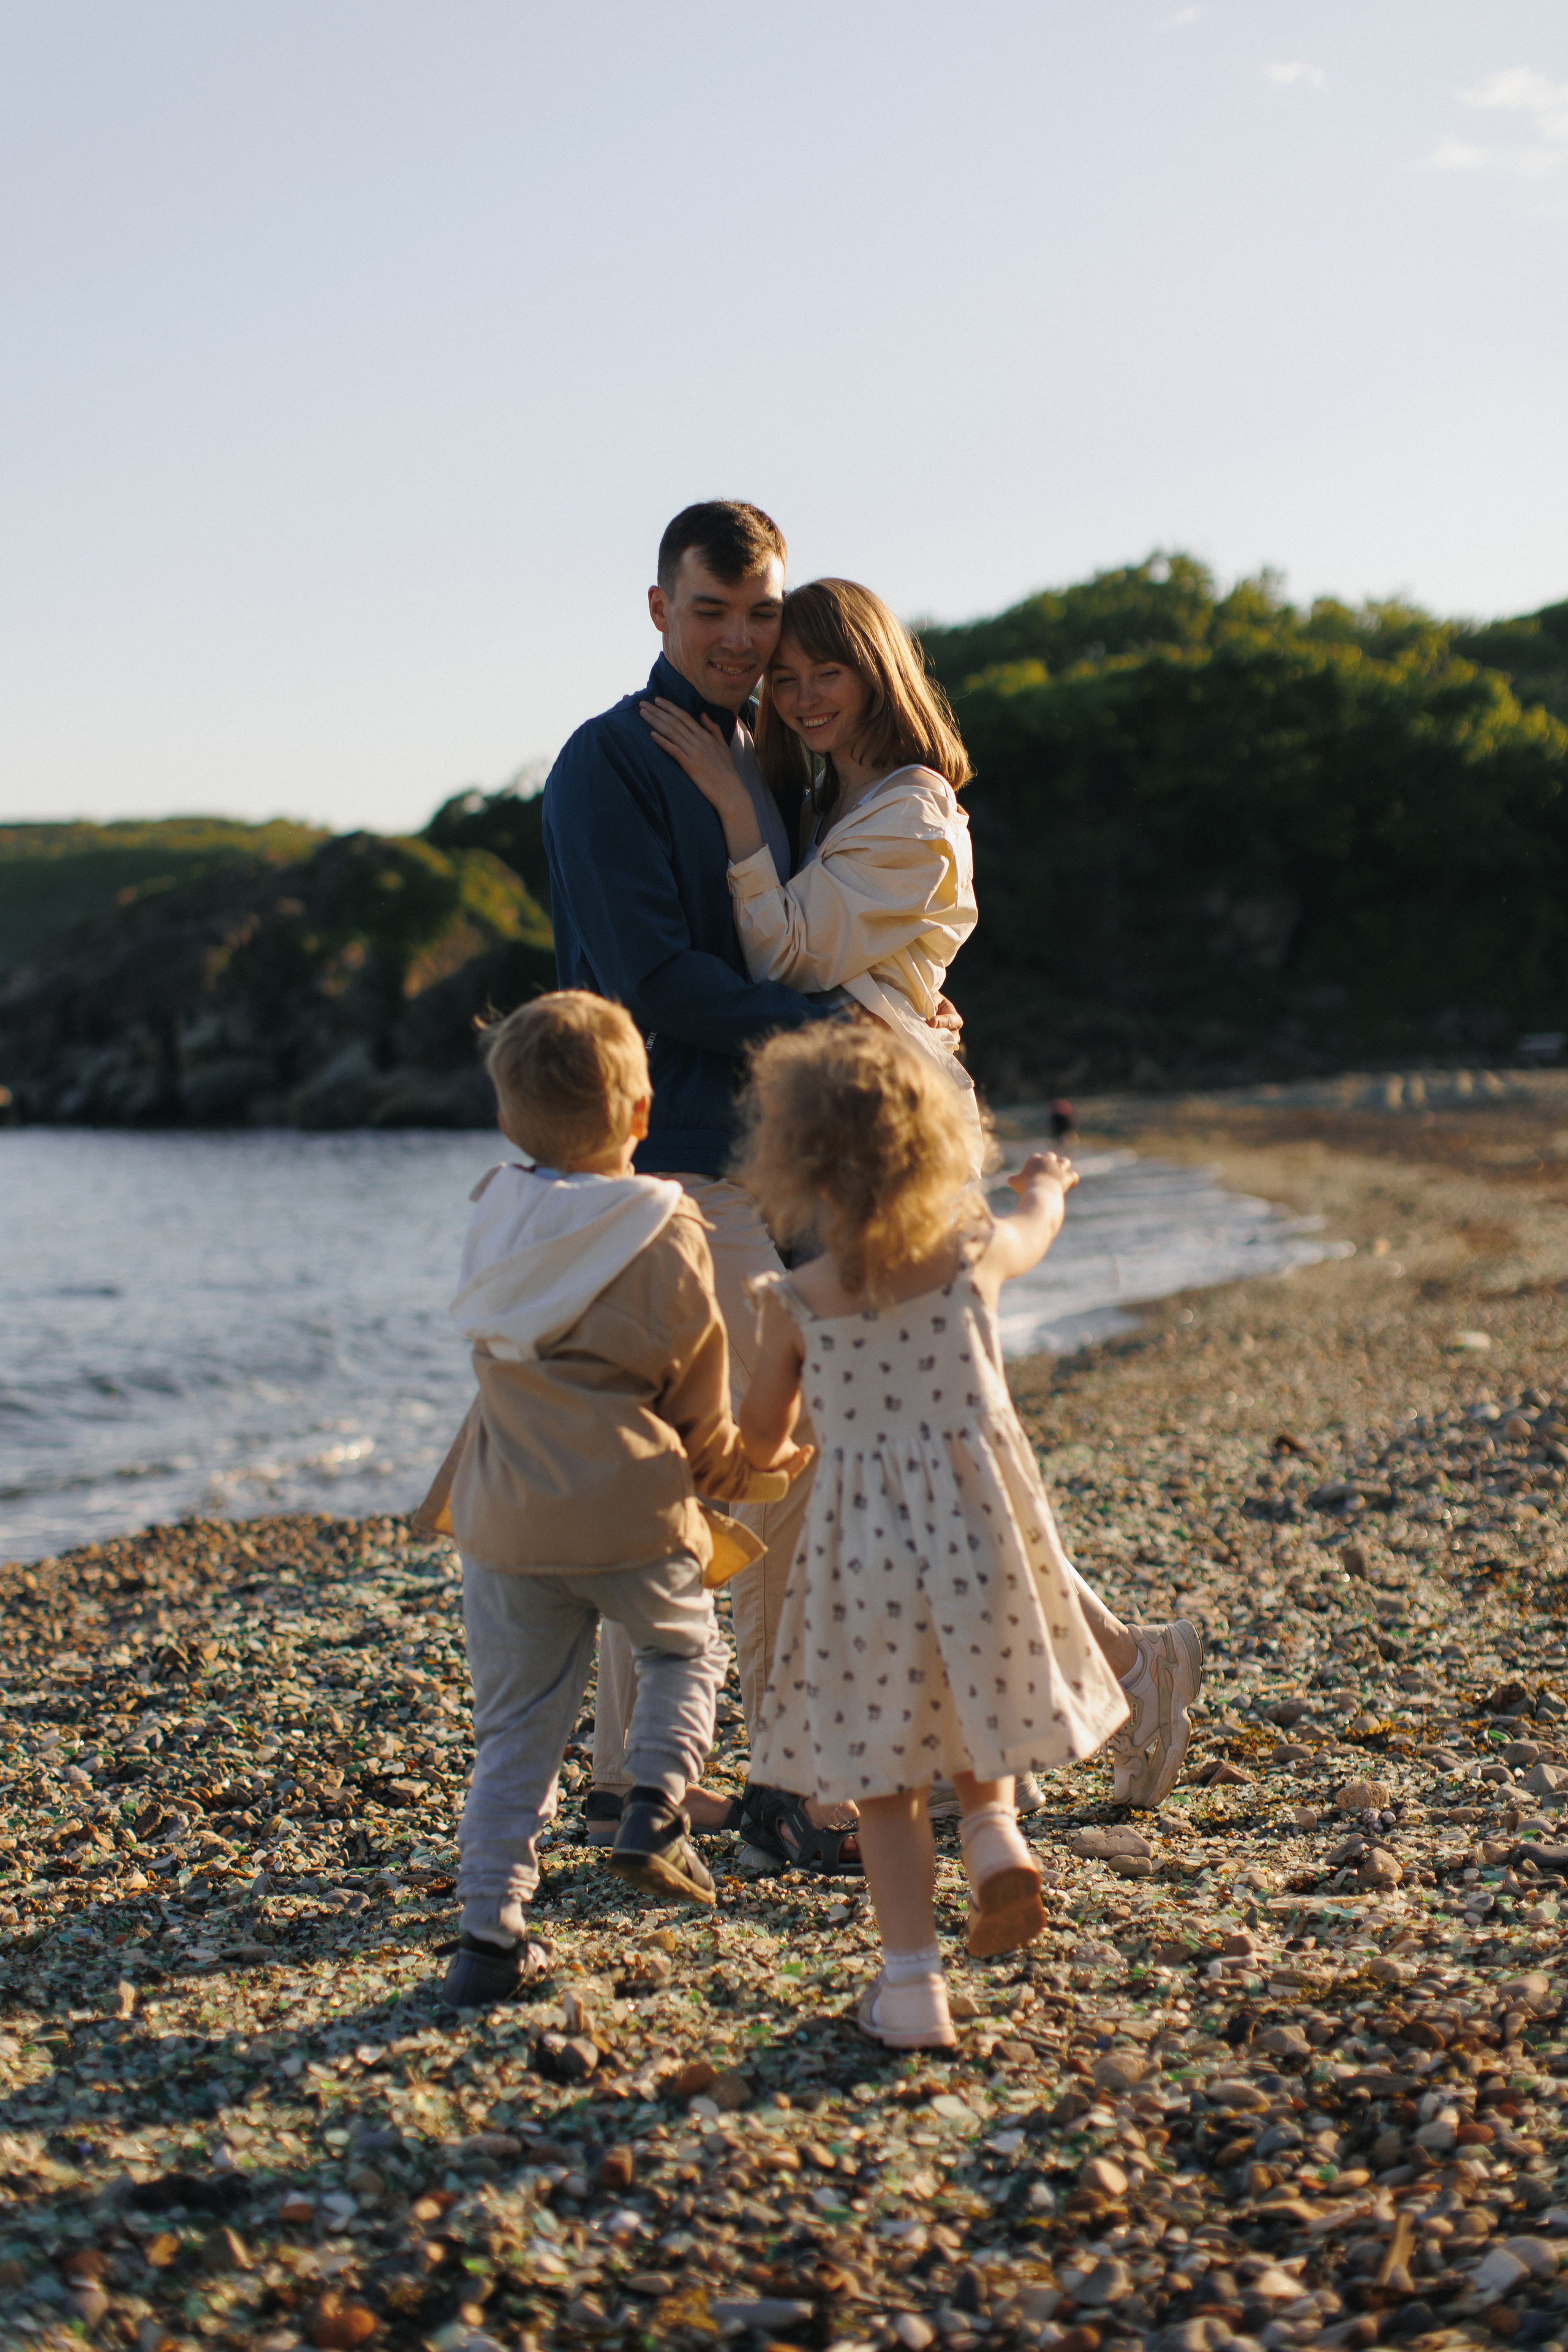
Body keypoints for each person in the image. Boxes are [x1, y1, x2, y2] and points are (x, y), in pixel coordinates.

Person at [732, 1022, 1129, 2050]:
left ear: (795, 1161)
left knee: (887, 1778)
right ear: (937, 1142)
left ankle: (910, 1990)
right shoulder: (969, 1255)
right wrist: (1046, 1182)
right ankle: (997, 1839)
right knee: (979, 1694)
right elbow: (1034, 1223)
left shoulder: (798, 1301)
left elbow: (761, 1444)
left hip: (862, 1562)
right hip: (981, 1539)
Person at [415, 991, 812, 2008]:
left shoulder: (488, 1217)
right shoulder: (665, 1226)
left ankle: (486, 1941)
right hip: (631, 1509)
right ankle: (655, 1804)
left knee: (515, 1736)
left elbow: (494, 1363)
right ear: (642, 1118)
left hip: (505, 1518)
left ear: (506, 1123)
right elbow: (696, 1400)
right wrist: (751, 1469)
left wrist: (446, 1498)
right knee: (686, 1650)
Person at [639, 576, 983, 1172]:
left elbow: (785, 961)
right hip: (837, 1107)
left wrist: (735, 807)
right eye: (785, 680)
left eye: (827, 674)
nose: (804, 700)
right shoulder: (822, 800)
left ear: (874, 669)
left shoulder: (911, 810)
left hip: (893, 1118)